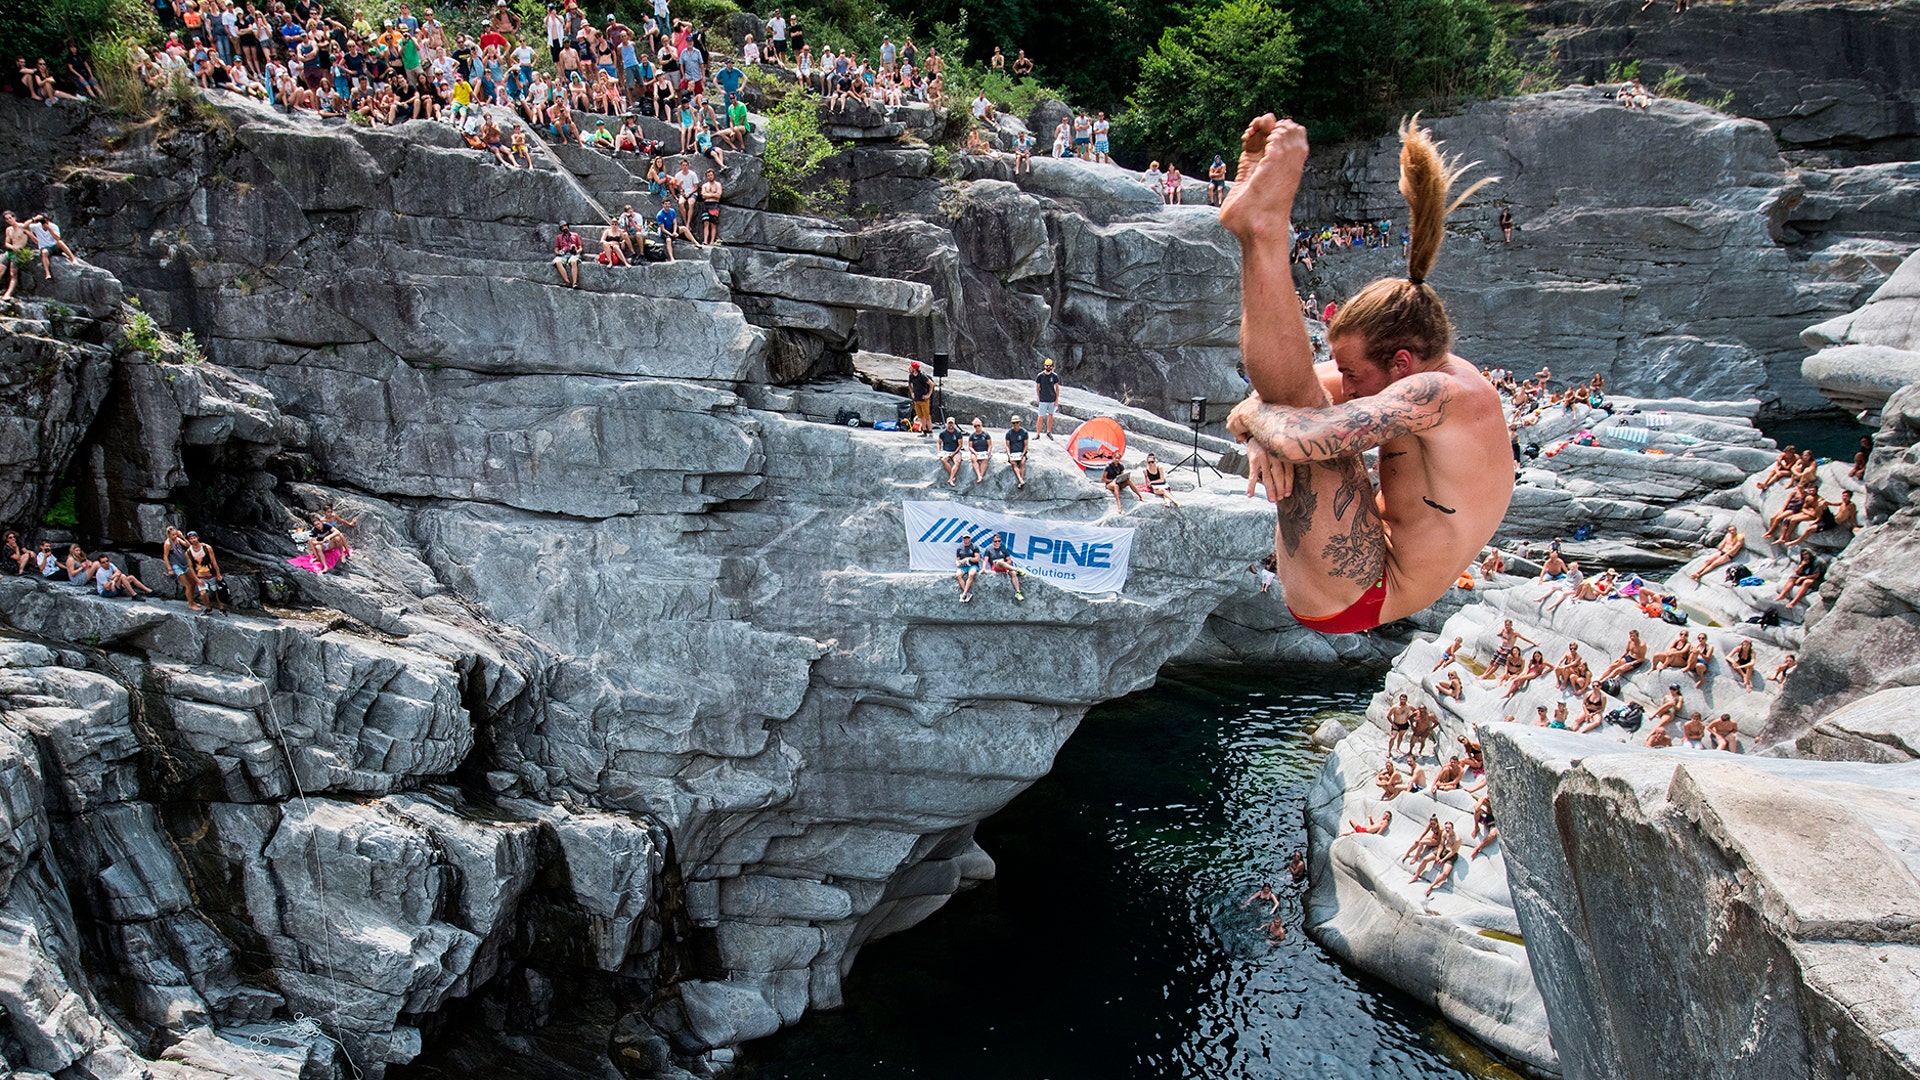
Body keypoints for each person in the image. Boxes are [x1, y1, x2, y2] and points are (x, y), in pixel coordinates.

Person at [1224, 116, 1510, 636]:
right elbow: (1285, 407)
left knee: (1297, 412)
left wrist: (1256, 419)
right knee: (1293, 405)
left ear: (1401, 363)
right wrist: (1262, 429)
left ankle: (1263, 234)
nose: (1346, 384)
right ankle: (1256, 232)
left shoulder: (1442, 393)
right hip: (1347, 565)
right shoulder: (1420, 376)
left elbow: (1306, 433)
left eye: (1353, 373)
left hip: (1364, 592)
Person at [186, 530, 228, 613]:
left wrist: (218, 574)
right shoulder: (188, 552)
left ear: (197, 537)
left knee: (216, 591)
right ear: (189, 540)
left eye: (194, 538)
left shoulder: (207, 548)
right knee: (203, 593)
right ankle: (208, 608)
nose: (193, 540)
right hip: (200, 576)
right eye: (191, 538)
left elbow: (213, 561)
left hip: (211, 574)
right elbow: (190, 567)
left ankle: (221, 608)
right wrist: (196, 579)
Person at [163, 526, 202, 611]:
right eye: (173, 535)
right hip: (176, 566)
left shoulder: (178, 540)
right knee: (188, 584)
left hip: (184, 563)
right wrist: (169, 569)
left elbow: (188, 546)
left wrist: (182, 537)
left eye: (175, 534)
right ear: (169, 535)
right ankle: (190, 604)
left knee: (193, 582)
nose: (175, 536)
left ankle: (191, 600)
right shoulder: (168, 543)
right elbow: (165, 556)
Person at [3, 211, 34, 301]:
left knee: (13, 274)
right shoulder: (8, 230)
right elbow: (6, 243)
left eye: (10, 218)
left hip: (18, 253)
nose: (9, 220)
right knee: (0, 270)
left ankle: (8, 293)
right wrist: (12, 247)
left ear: (14, 217)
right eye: (7, 219)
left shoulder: (23, 227)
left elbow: (33, 237)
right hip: (10, 251)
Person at [1034, 357, 1061, 439]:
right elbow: (1037, 387)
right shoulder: (1040, 376)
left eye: (1050, 366)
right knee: (1040, 417)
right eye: (1047, 365)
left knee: (1050, 415)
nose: (1048, 367)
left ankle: (1048, 432)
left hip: (1051, 399)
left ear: (1052, 366)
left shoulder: (1054, 376)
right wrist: (1039, 397)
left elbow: (1057, 388)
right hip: (1043, 399)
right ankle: (1038, 434)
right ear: (1044, 366)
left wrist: (1056, 400)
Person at [552, 223, 583, 287]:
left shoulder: (575, 235)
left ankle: (574, 283)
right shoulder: (559, 237)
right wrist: (559, 252)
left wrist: (577, 251)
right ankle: (567, 281)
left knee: (573, 262)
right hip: (564, 254)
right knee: (557, 262)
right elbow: (556, 249)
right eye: (562, 227)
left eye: (565, 226)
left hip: (573, 254)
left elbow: (580, 247)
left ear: (568, 226)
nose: (564, 228)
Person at [953, 532, 982, 602]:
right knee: (958, 575)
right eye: (964, 538)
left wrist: (968, 559)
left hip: (973, 565)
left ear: (970, 538)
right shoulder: (959, 548)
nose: (966, 539)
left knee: (971, 574)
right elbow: (957, 560)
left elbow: (977, 559)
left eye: (967, 538)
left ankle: (964, 594)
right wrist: (958, 563)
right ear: (962, 538)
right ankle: (966, 593)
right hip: (963, 566)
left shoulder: (974, 547)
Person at [907, 361, 933, 435]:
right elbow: (909, 384)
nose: (910, 368)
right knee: (920, 416)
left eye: (911, 367)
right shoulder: (911, 376)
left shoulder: (922, 376)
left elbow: (931, 384)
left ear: (914, 369)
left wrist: (928, 395)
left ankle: (930, 430)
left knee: (926, 415)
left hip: (924, 399)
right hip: (916, 398)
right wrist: (912, 392)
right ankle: (924, 430)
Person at [937, 417, 964, 486]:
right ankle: (952, 477)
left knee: (957, 462)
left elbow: (960, 445)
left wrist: (954, 453)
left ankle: (951, 479)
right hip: (946, 451)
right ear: (947, 424)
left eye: (952, 423)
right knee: (944, 460)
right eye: (949, 423)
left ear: (954, 424)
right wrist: (939, 451)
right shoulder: (943, 433)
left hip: (955, 451)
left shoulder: (958, 433)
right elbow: (939, 442)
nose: (950, 425)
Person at [965, 417, 993, 483]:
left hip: (984, 451)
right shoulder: (972, 436)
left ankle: (981, 476)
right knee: (973, 459)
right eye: (975, 426)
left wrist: (989, 451)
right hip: (976, 452)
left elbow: (990, 445)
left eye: (978, 426)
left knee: (985, 459)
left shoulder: (986, 434)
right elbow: (970, 447)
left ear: (981, 425)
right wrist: (974, 452)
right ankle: (979, 475)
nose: (977, 427)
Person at [1004, 415, 1029, 488]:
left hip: (1021, 452)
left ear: (1019, 423)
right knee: (1014, 463)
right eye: (1014, 423)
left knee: (1022, 462)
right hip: (1013, 453)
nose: (1015, 425)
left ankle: (1021, 480)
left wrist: (1023, 453)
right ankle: (1020, 479)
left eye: (1017, 423)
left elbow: (1026, 445)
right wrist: (1009, 454)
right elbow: (1007, 445)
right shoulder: (1009, 433)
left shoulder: (1024, 432)